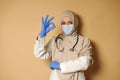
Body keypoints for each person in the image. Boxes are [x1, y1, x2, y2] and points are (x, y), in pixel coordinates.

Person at [34, 10, 93, 80]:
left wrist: (61, 66)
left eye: (70, 22)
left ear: (75, 23)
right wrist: (42, 35)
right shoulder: (55, 40)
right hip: (56, 77)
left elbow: (85, 62)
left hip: (77, 77)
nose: (66, 25)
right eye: (63, 23)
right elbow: (39, 54)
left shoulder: (83, 41)